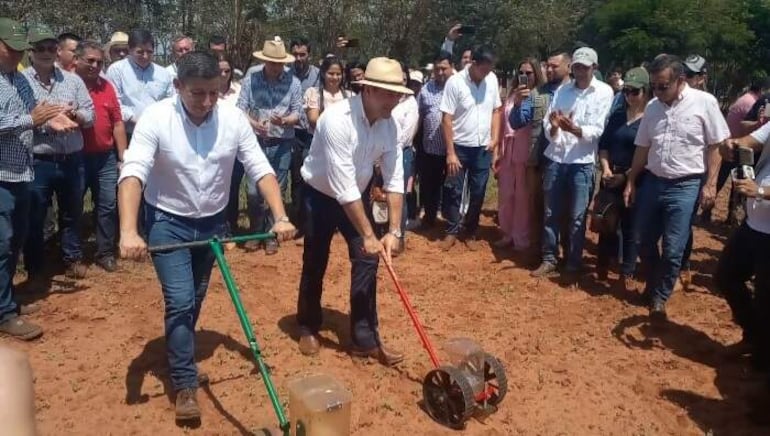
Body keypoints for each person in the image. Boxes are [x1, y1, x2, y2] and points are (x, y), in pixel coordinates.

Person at [118, 51, 295, 421]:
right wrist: (129, 231)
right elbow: (133, 172)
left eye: (214, 93)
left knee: (195, 296)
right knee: (181, 300)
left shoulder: (232, 119)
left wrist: (280, 216)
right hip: (169, 221)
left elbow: (259, 167)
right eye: (198, 93)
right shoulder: (157, 117)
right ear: (178, 86)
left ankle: (177, 351)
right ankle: (185, 383)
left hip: (213, 223)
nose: (207, 102)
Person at [296, 57, 408, 366]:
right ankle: (307, 324)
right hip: (320, 196)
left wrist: (394, 231)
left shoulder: (389, 124)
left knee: (367, 261)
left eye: (398, 93)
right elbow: (342, 187)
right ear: (368, 90)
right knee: (315, 260)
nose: (395, 100)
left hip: (356, 196)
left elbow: (394, 177)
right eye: (389, 93)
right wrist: (370, 235)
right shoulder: (336, 120)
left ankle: (364, 339)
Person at [624, 55, 730, 320]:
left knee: (673, 249)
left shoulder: (704, 103)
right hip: (652, 182)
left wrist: (711, 183)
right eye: (654, 86)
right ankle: (653, 283)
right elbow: (643, 147)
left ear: (680, 81)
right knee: (642, 240)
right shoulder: (652, 107)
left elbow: (716, 144)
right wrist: (631, 180)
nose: (657, 92)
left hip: (686, 186)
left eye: (662, 87)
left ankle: (659, 297)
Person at [0, 17, 74, 340]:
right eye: (10, 50)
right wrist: (31, 119)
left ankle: (6, 301)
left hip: (22, 172)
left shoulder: (18, 81)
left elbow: (35, 114)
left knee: (15, 239)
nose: (16, 56)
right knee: (1, 241)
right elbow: (21, 119)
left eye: (20, 50)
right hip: (1, 174)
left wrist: (51, 121)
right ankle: (4, 313)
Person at [531, 47, 614, 280]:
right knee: (550, 212)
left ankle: (573, 261)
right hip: (557, 157)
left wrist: (575, 130)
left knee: (577, 215)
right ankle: (549, 258)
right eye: (577, 66)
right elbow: (550, 121)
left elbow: (597, 129)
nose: (580, 71)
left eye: (585, 67)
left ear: (594, 68)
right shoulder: (563, 91)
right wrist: (556, 127)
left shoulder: (604, 92)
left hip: (582, 161)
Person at [22, 25, 95, 282]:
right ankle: (35, 268)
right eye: (40, 48)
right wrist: (46, 119)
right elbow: (22, 118)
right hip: (38, 160)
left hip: (71, 158)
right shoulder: (21, 81)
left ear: (57, 51)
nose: (46, 52)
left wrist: (74, 115)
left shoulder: (73, 80)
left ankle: (71, 258)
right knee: (36, 217)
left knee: (72, 212)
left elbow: (90, 113)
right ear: (30, 52)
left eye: (51, 48)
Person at [237, 37, 302, 254]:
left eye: (279, 63)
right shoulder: (251, 79)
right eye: (272, 62)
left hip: (282, 142)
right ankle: (257, 231)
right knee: (254, 191)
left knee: (278, 189)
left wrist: (284, 121)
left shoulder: (293, 83)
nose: (275, 67)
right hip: (255, 142)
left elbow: (297, 113)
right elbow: (241, 109)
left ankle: (271, 235)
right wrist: (255, 124)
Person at [715, 124, 770, 370]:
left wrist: (760, 191)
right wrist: (733, 144)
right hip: (754, 226)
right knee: (726, 277)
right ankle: (754, 336)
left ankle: (761, 362)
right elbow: (749, 140)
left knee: (766, 301)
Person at [439, 46, 502, 251]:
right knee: (454, 190)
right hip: (459, 146)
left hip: (482, 148)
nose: (487, 73)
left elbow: (496, 110)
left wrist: (494, 139)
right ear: (472, 63)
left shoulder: (492, 80)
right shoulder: (455, 82)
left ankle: (470, 229)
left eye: (489, 69)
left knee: (478, 191)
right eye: (484, 68)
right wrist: (450, 152)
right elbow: (446, 118)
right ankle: (451, 230)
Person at [509, 52, 571, 257]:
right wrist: (517, 104)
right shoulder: (537, 94)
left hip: (568, 160)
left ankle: (566, 251)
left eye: (555, 66)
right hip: (539, 160)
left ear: (568, 67)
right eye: (548, 66)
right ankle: (540, 251)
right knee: (538, 206)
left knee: (567, 209)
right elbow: (518, 122)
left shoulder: (575, 93)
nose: (550, 70)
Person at [595, 68, 650, 290]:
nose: (629, 96)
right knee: (606, 222)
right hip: (610, 175)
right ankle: (602, 268)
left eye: (634, 91)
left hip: (635, 178)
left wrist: (626, 177)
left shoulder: (649, 121)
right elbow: (604, 145)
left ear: (645, 92)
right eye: (626, 91)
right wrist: (606, 169)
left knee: (630, 227)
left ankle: (626, 272)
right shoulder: (617, 116)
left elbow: (648, 154)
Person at [75, 40, 127, 272]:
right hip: (75, 157)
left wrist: (123, 155)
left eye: (99, 61)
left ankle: (104, 252)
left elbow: (117, 122)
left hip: (105, 157)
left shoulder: (106, 87)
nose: (95, 65)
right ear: (78, 60)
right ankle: (72, 256)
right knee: (73, 206)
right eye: (90, 60)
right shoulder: (68, 84)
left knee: (107, 204)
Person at [495, 57, 545, 251]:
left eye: (528, 73)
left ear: (536, 74)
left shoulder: (538, 96)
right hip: (508, 150)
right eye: (521, 72)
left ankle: (521, 237)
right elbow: (502, 123)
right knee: (506, 195)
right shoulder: (511, 95)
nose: (524, 76)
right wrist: (498, 151)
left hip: (526, 151)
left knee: (523, 197)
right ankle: (507, 233)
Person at [107, 29, 175, 135]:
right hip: (128, 132)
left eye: (149, 52)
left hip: (158, 131)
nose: (145, 56)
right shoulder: (117, 70)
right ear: (130, 50)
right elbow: (115, 102)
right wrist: (136, 119)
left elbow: (170, 101)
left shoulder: (163, 73)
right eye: (140, 52)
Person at [416, 51, 454, 228]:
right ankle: (429, 216)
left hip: (453, 149)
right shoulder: (426, 89)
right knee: (428, 183)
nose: (440, 72)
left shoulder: (458, 87)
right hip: (430, 147)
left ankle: (450, 218)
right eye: (437, 69)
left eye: (444, 69)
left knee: (450, 186)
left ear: (451, 68)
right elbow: (419, 116)